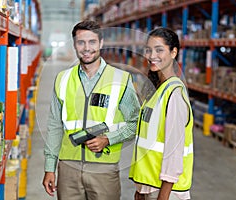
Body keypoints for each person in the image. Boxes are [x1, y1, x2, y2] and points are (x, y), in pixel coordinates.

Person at [42, 20, 140, 200]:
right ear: (74, 45)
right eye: (81, 42)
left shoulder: (120, 79)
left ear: (101, 43)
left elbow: (135, 123)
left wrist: (108, 139)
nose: (87, 48)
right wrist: (50, 167)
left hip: (103, 167)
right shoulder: (62, 79)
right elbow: (54, 125)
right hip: (68, 167)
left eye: (92, 42)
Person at [129, 27, 194, 200]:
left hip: (167, 192)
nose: (152, 55)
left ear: (173, 53)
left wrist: (163, 196)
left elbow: (174, 152)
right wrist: (141, 190)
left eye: (159, 50)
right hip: (151, 187)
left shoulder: (174, 94)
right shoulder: (158, 90)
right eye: (148, 50)